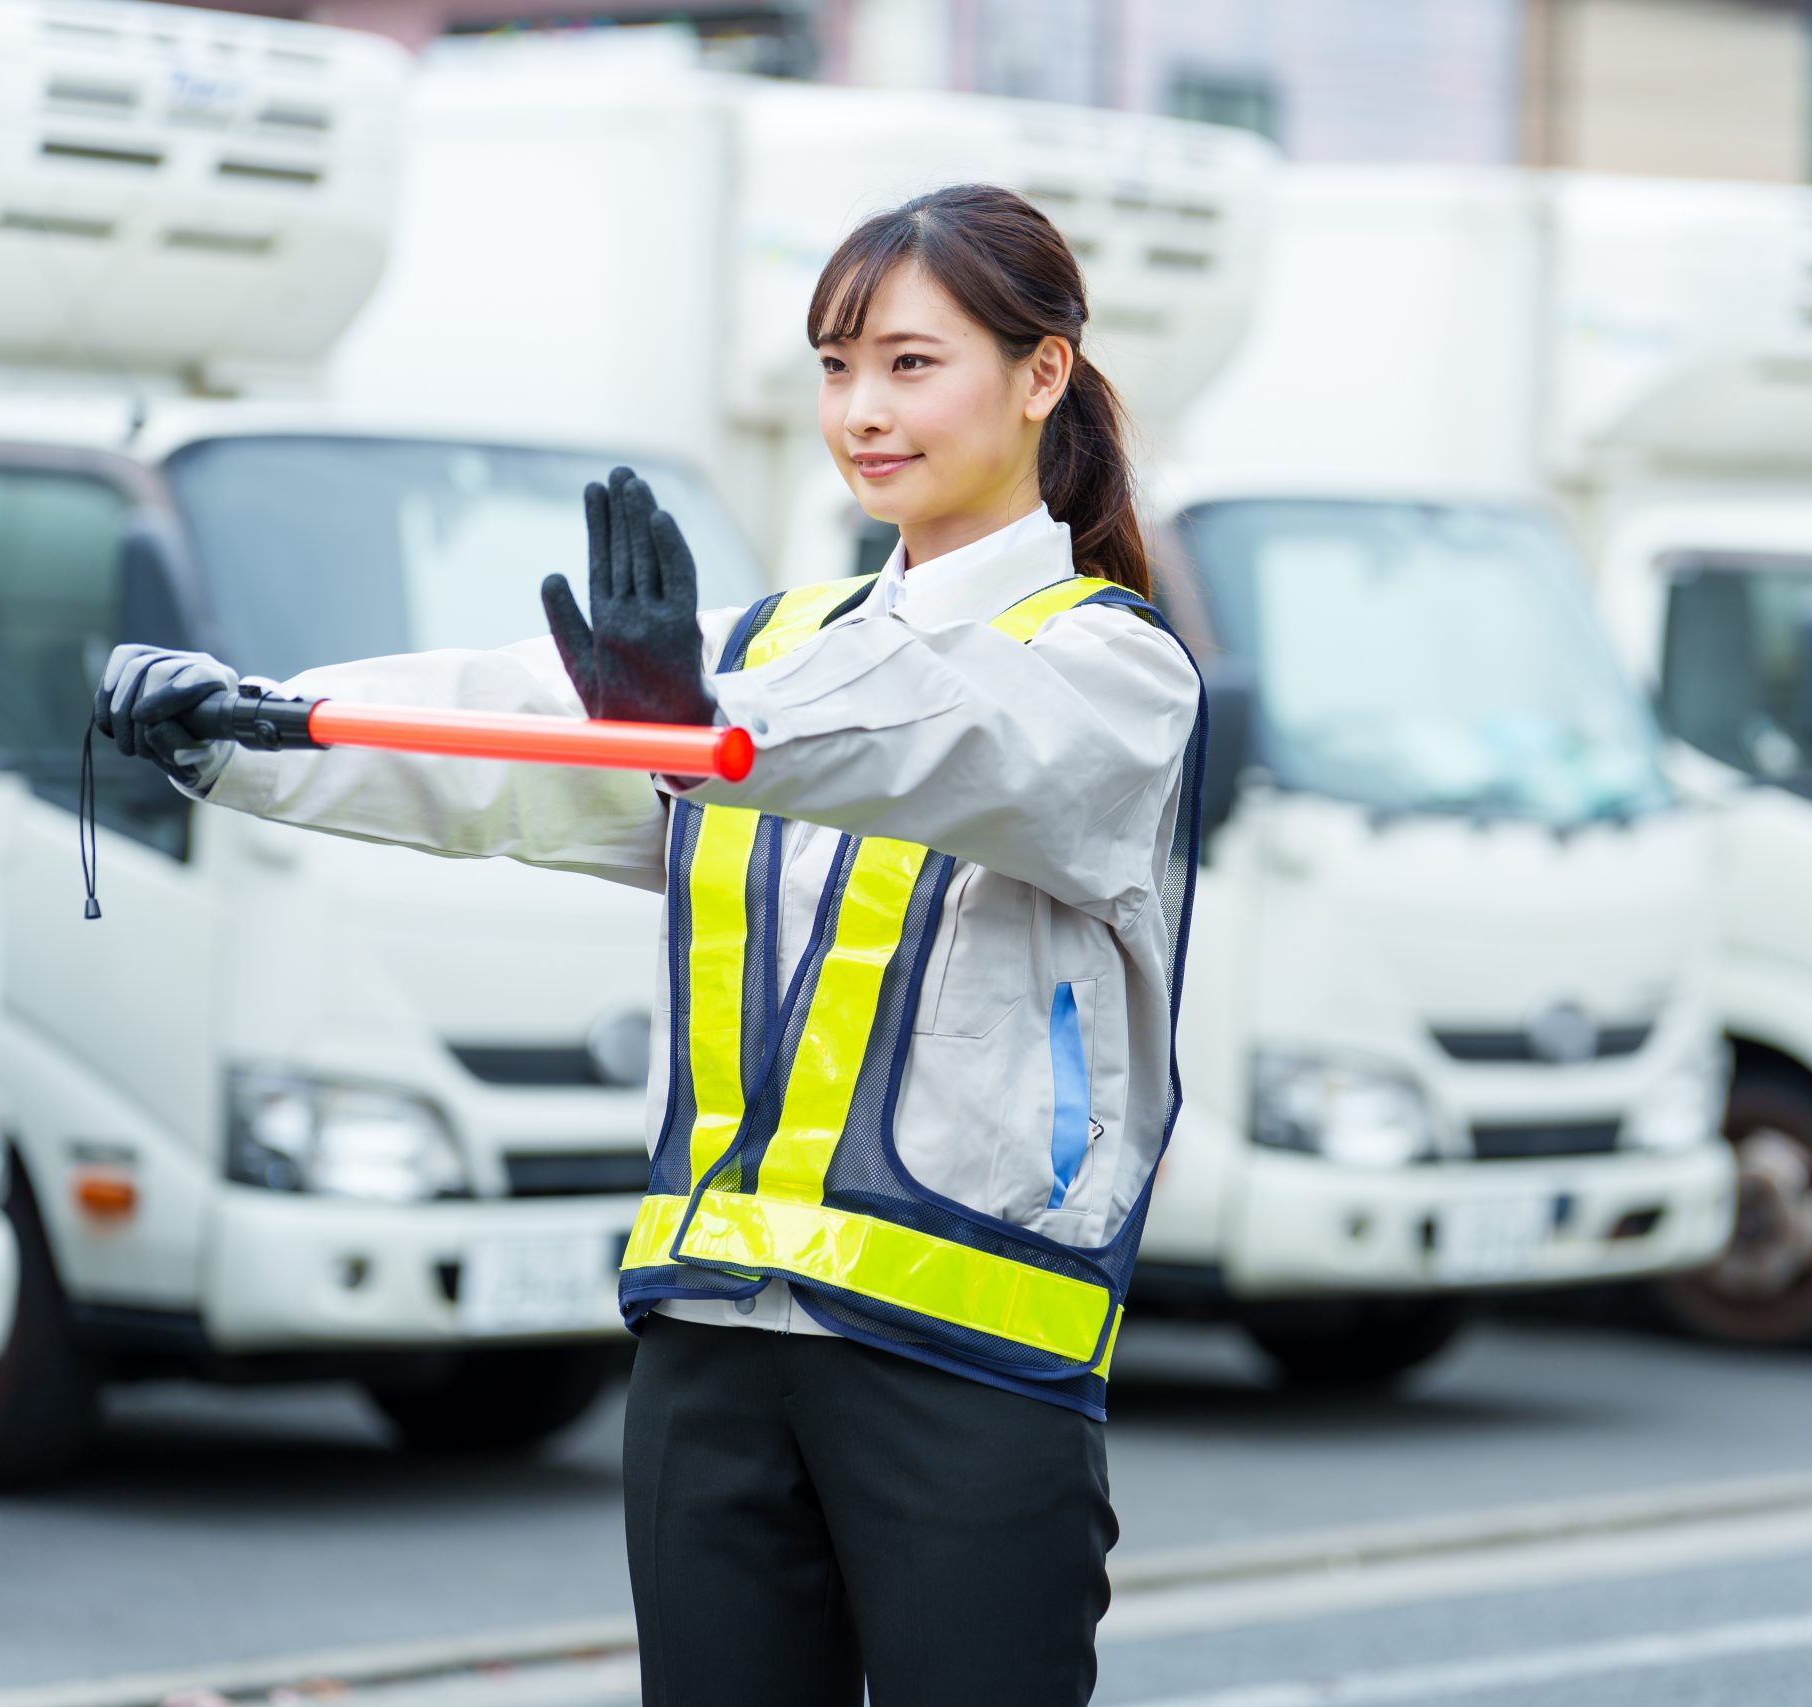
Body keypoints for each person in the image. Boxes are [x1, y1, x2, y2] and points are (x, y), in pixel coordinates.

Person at [99, 183, 1206, 1706]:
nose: (863, 412)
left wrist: (698, 724)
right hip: (708, 1351)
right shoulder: (759, 657)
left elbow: (932, 730)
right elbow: (504, 740)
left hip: (968, 1369)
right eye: (836, 367)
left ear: (1042, 375)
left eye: (911, 363)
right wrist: (246, 726)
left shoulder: (1108, 671)